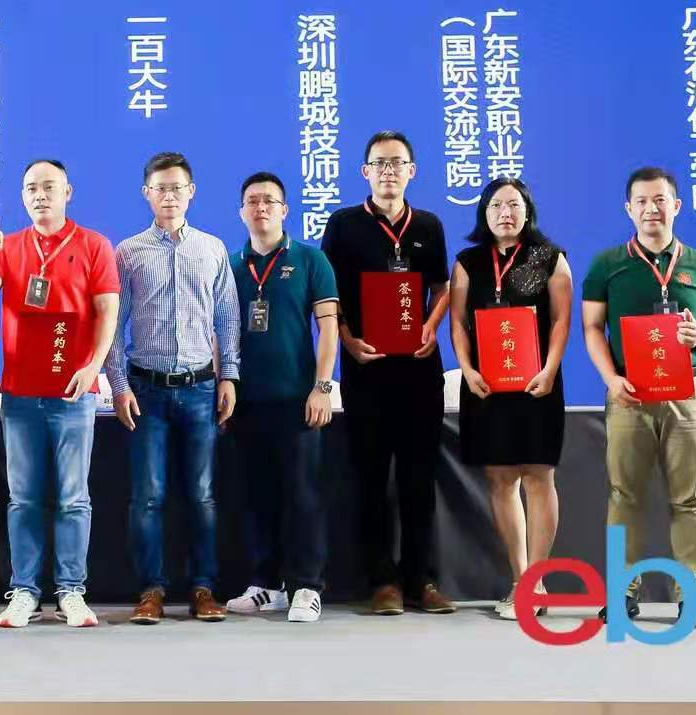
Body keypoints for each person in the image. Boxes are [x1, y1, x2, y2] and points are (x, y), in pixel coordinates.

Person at [0, 159, 120, 628]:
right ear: (22, 196)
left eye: (49, 187)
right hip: (20, 395)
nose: (40, 195)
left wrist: (93, 367)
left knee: (74, 498)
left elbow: (108, 311)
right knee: (24, 498)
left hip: (74, 393)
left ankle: (71, 591)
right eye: (31, 188)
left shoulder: (94, 245)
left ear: (67, 192)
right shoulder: (10, 247)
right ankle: (25, 591)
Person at [583, 166, 696, 621]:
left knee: (689, 498)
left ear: (676, 206)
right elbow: (592, 328)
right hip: (629, 392)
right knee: (624, 495)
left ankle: (693, 594)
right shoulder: (607, 264)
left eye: (660, 200)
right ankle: (622, 593)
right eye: (642, 201)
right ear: (629, 209)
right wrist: (611, 379)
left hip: (686, 393)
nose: (652, 209)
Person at [320, 130, 455, 615]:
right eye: (379, 163)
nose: (388, 171)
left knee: (419, 478)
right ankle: (382, 582)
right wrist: (347, 339)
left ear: (412, 171)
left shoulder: (430, 226)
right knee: (371, 478)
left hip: (419, 369)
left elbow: (442, 287)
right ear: (365, 172)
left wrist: (432, 326)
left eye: (397, 162)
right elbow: (328, 295)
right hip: (367, 369)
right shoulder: (344, 225)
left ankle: (423, 579)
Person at [106, 151, 241, 625]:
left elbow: (228, 319)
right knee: (148, 496)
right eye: (160, 188)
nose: (169, 196)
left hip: (201, 388)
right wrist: (118, 385)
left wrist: (229, 377)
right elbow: (112, 326)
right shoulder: (128, 253)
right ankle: (151, 590)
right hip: (147, 390)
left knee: (202, 495)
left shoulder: (212, 249)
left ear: (192, 192)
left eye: (177, 187)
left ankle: (203, 588)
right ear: (147, 193)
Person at [448, 177, 571, 619]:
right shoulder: (468, 262)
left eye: (514, 204)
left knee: (538, 477)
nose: (506, 212)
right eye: (497, 205)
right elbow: (458, 322)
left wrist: (549, 370)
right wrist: (467, 370)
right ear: (484, 212)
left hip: (538, 383)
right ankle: (519, 579)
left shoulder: (548, 257)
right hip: (487, 384)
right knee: (501, 480)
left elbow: (560, 321)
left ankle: (537, 579)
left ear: (527, 211)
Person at [224, 172, 339, 623]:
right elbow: (220, 332)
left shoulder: (310, 259)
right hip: (247, 401)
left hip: (298, 400)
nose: (261, 208)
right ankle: (266, 585)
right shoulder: (231, 265)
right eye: (252, 201)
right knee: (257, 496)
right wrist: (224, 384)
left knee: (302, 495)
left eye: (270, 201)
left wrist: (322, 386)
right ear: (241, 212)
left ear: (285, 210)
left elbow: (328, 327)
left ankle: (307, 585)